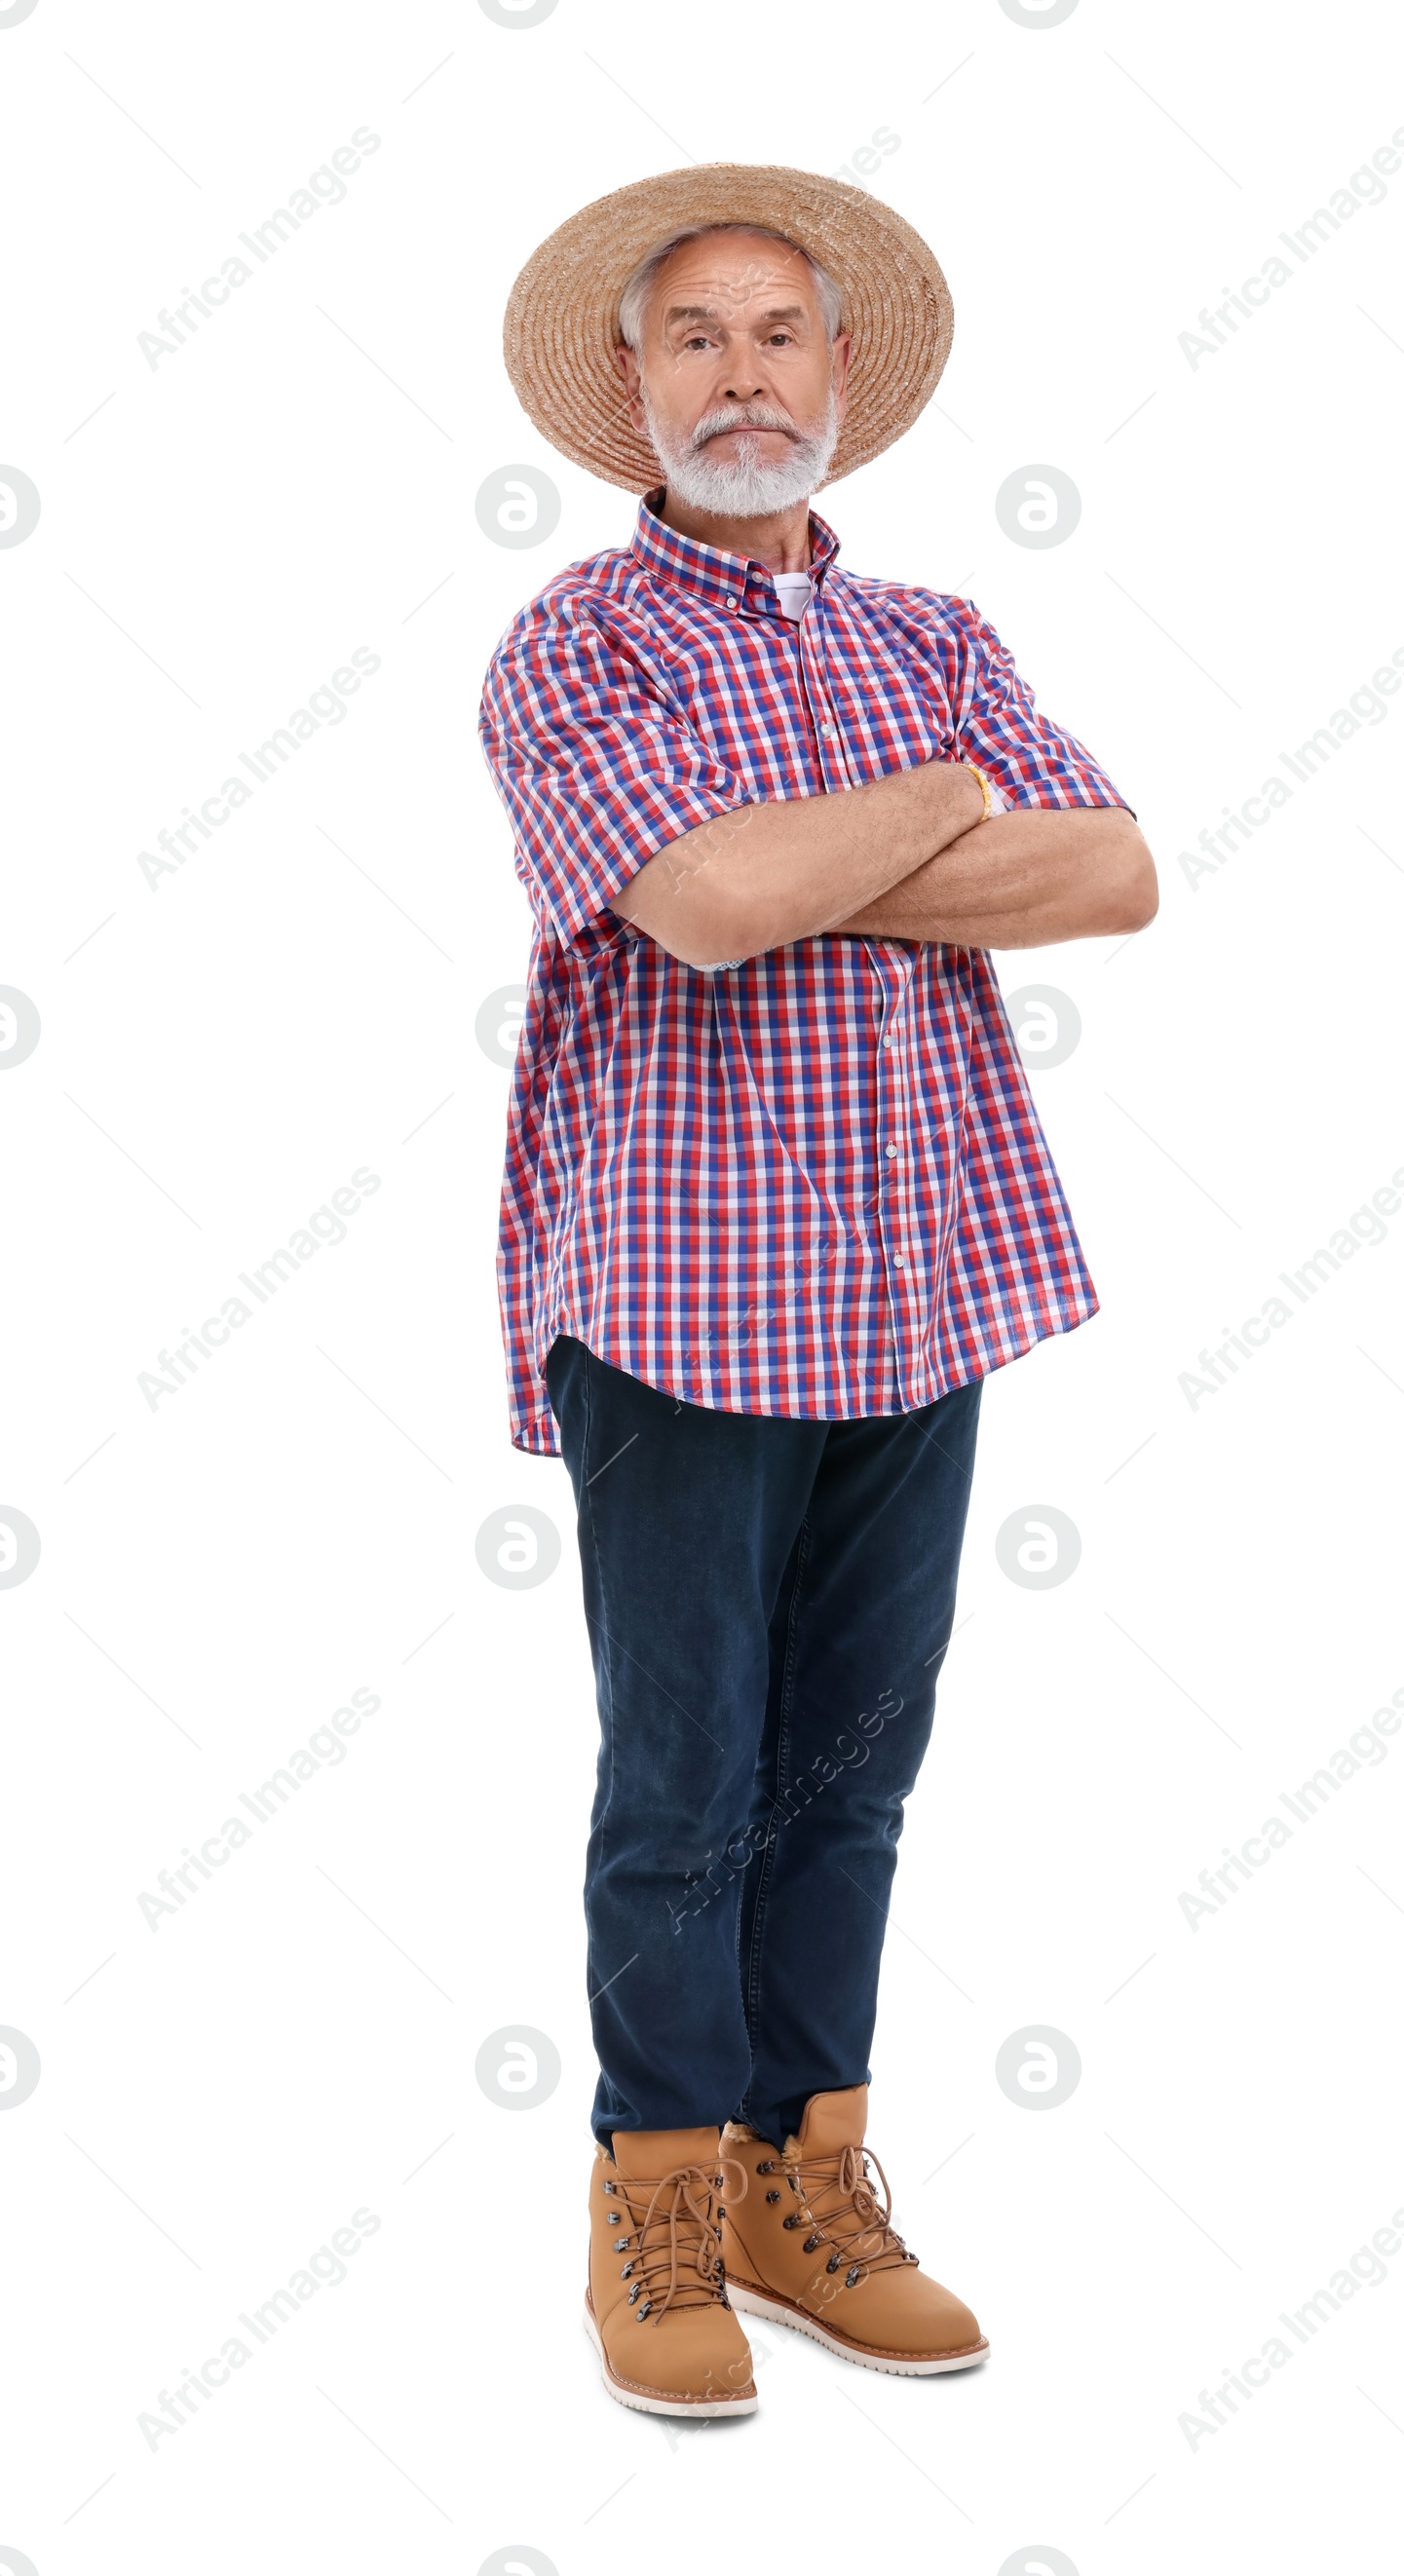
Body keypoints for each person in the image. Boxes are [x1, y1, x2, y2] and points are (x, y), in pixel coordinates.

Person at [479, 164, 1157, 2419]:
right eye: (695, 337)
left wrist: (841, 840)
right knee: (685, 1775)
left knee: (851, 1772)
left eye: (780, 335)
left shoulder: (933, 635)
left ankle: (805, 2171)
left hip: (918, 1282)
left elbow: (1115, 870)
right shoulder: (582, 642)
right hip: (674, 1297)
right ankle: (655, 2186)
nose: (739, 375)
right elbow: (690, 907)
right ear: (626, 384)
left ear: (839, 381)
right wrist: (943, 812)